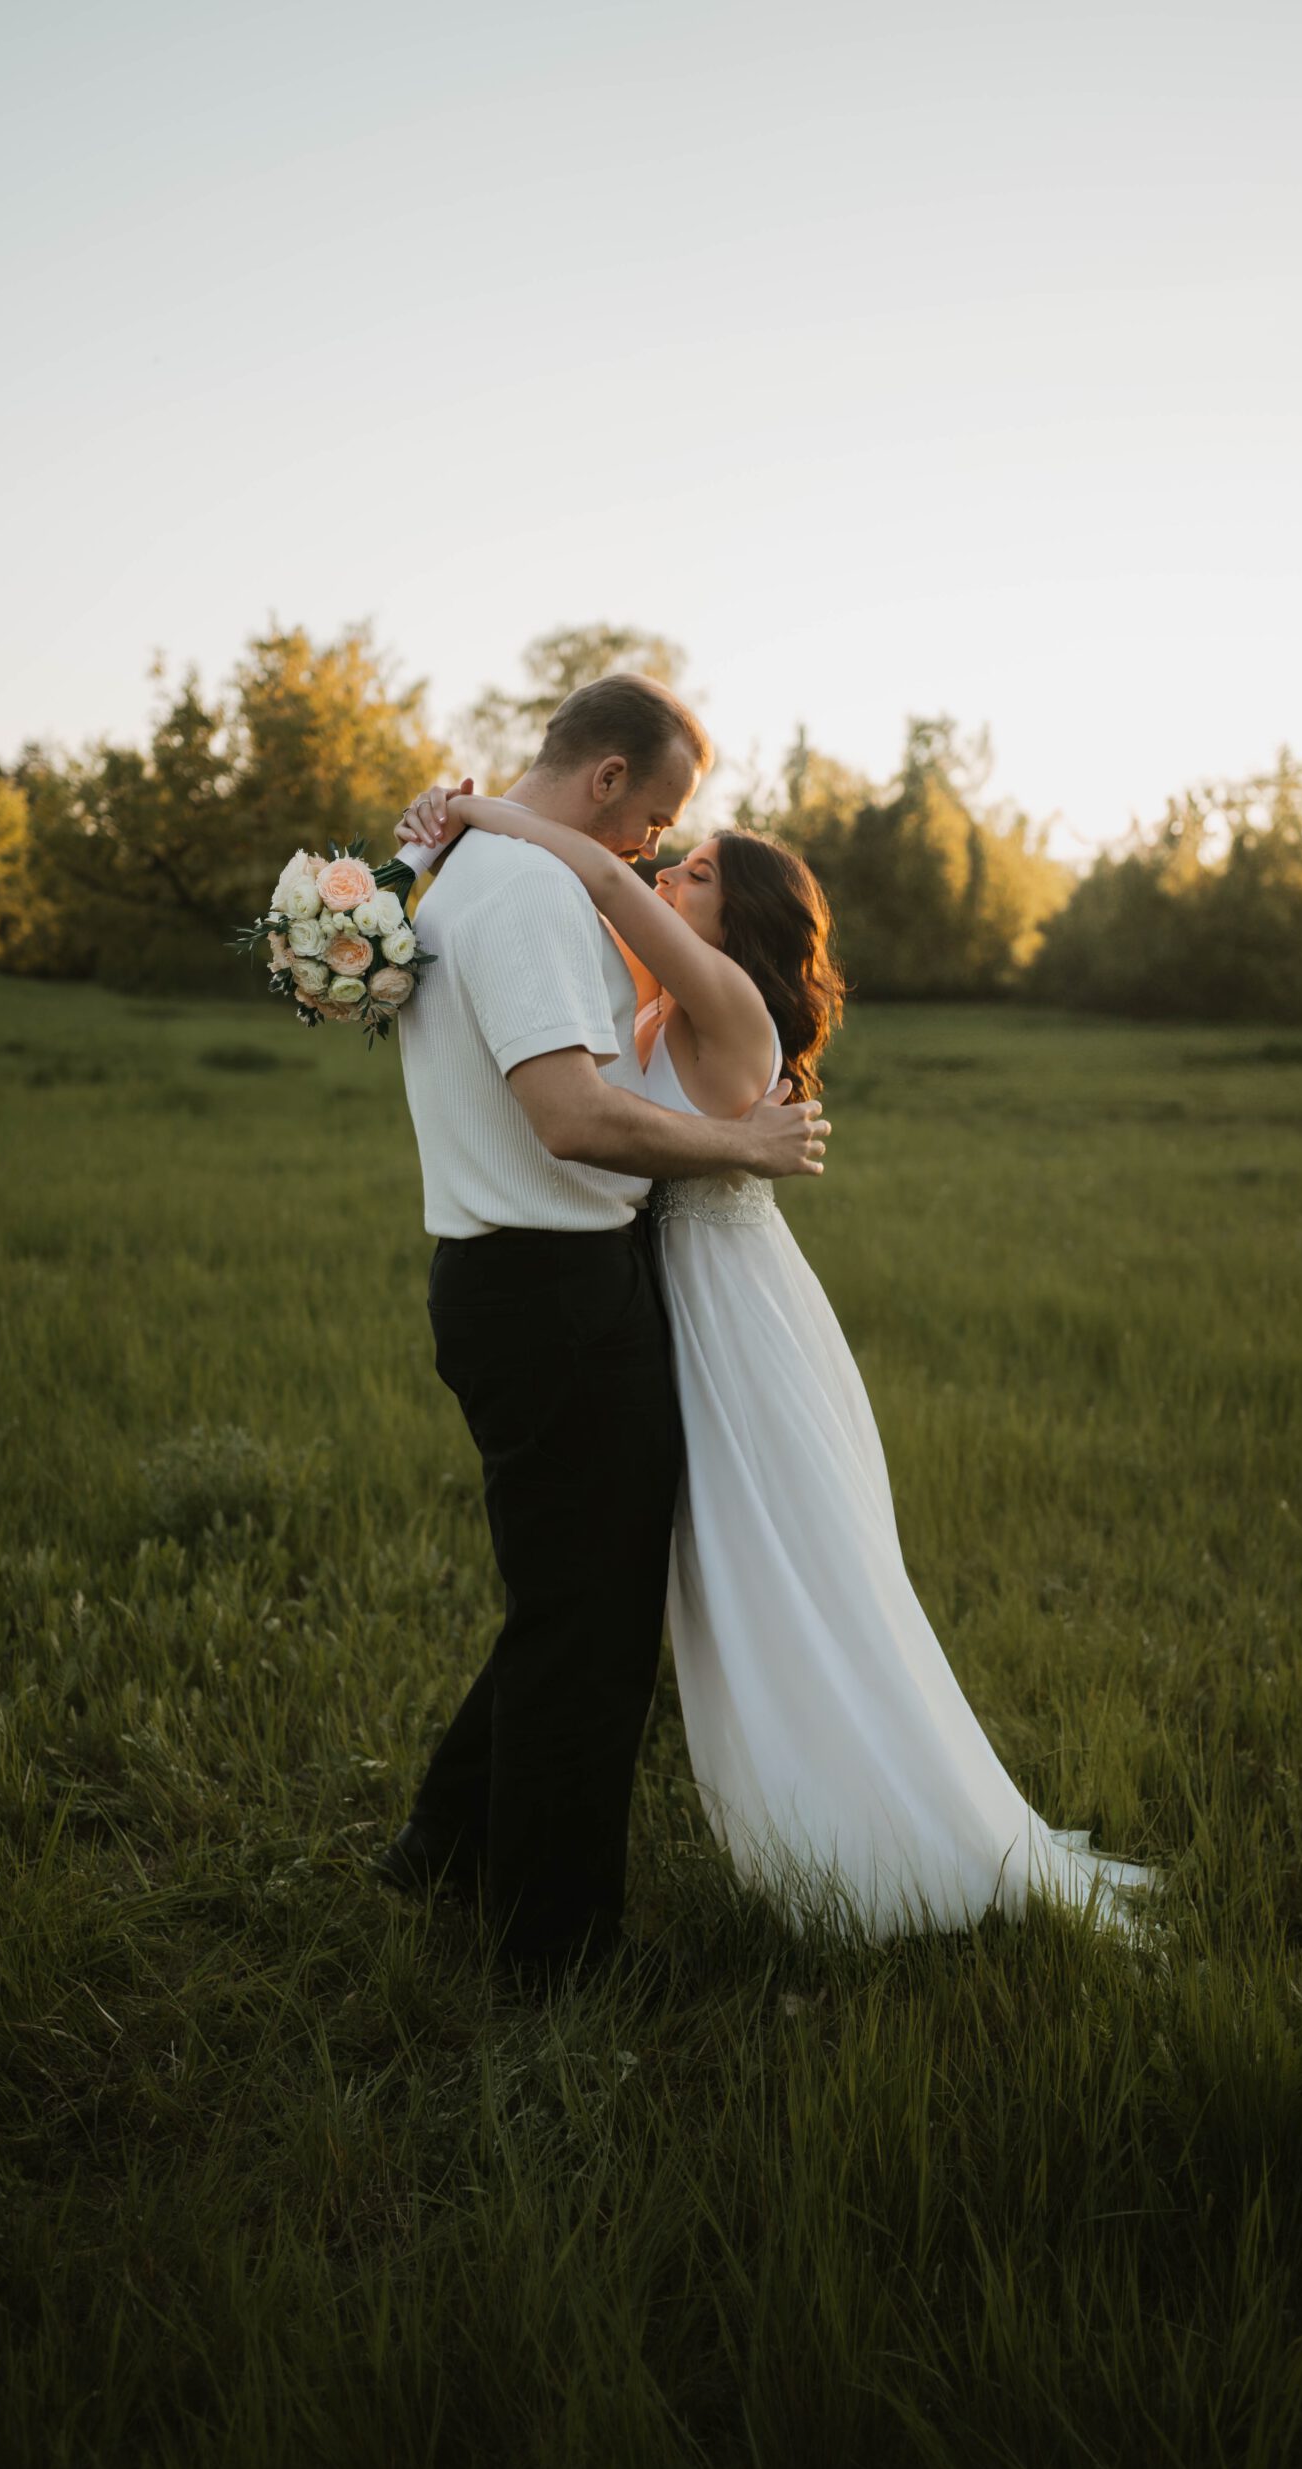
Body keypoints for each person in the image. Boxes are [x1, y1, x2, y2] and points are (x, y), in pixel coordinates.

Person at [397, 776, 1167, 1954]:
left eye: (696, 869)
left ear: (746, 916)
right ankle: (459, 1841)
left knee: (776, 1579)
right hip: (656, 1307)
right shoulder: (659, 998)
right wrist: (413, 875)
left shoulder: (732, 1004)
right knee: (596, 1591)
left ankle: (880, 1834)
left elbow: (600, 875)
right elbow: (548, 951)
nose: (666, 872)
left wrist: (483, 814)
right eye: (674, 857)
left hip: (729, 1324)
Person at [375, 673, 831, 2005]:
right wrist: (745, 1143)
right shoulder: (515, 890)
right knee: (591, 1627)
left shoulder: (466, 876)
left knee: (567, 1600)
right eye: (662, 820)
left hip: (520, 1280)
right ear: (609, 782)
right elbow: (570, 1119)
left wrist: (446, 827)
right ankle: (553, 1950)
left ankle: (439, 1848)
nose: (655, 848)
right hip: (553, 1292)